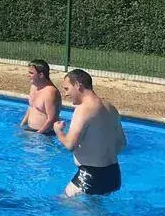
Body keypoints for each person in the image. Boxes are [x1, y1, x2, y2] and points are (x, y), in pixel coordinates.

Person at [52, 69, 127, 197]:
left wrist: (58, 131)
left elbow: (70, 145)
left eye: (67, 89)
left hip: (91, 175)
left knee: (63, 202)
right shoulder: (110, 107)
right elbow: (122, 143)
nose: (66, 94)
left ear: (78, 85)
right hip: (113, 174)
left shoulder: (84, 109)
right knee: (96, 208)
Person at [20, 59, 62, 135]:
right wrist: (22, 125)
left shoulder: (50, 92)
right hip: (30, 130)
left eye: (31, 73)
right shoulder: (34, 86)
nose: (28, 75)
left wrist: (38, 134)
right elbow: (31, 107)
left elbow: (52, 119)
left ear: (41, 75)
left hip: (45, 133)